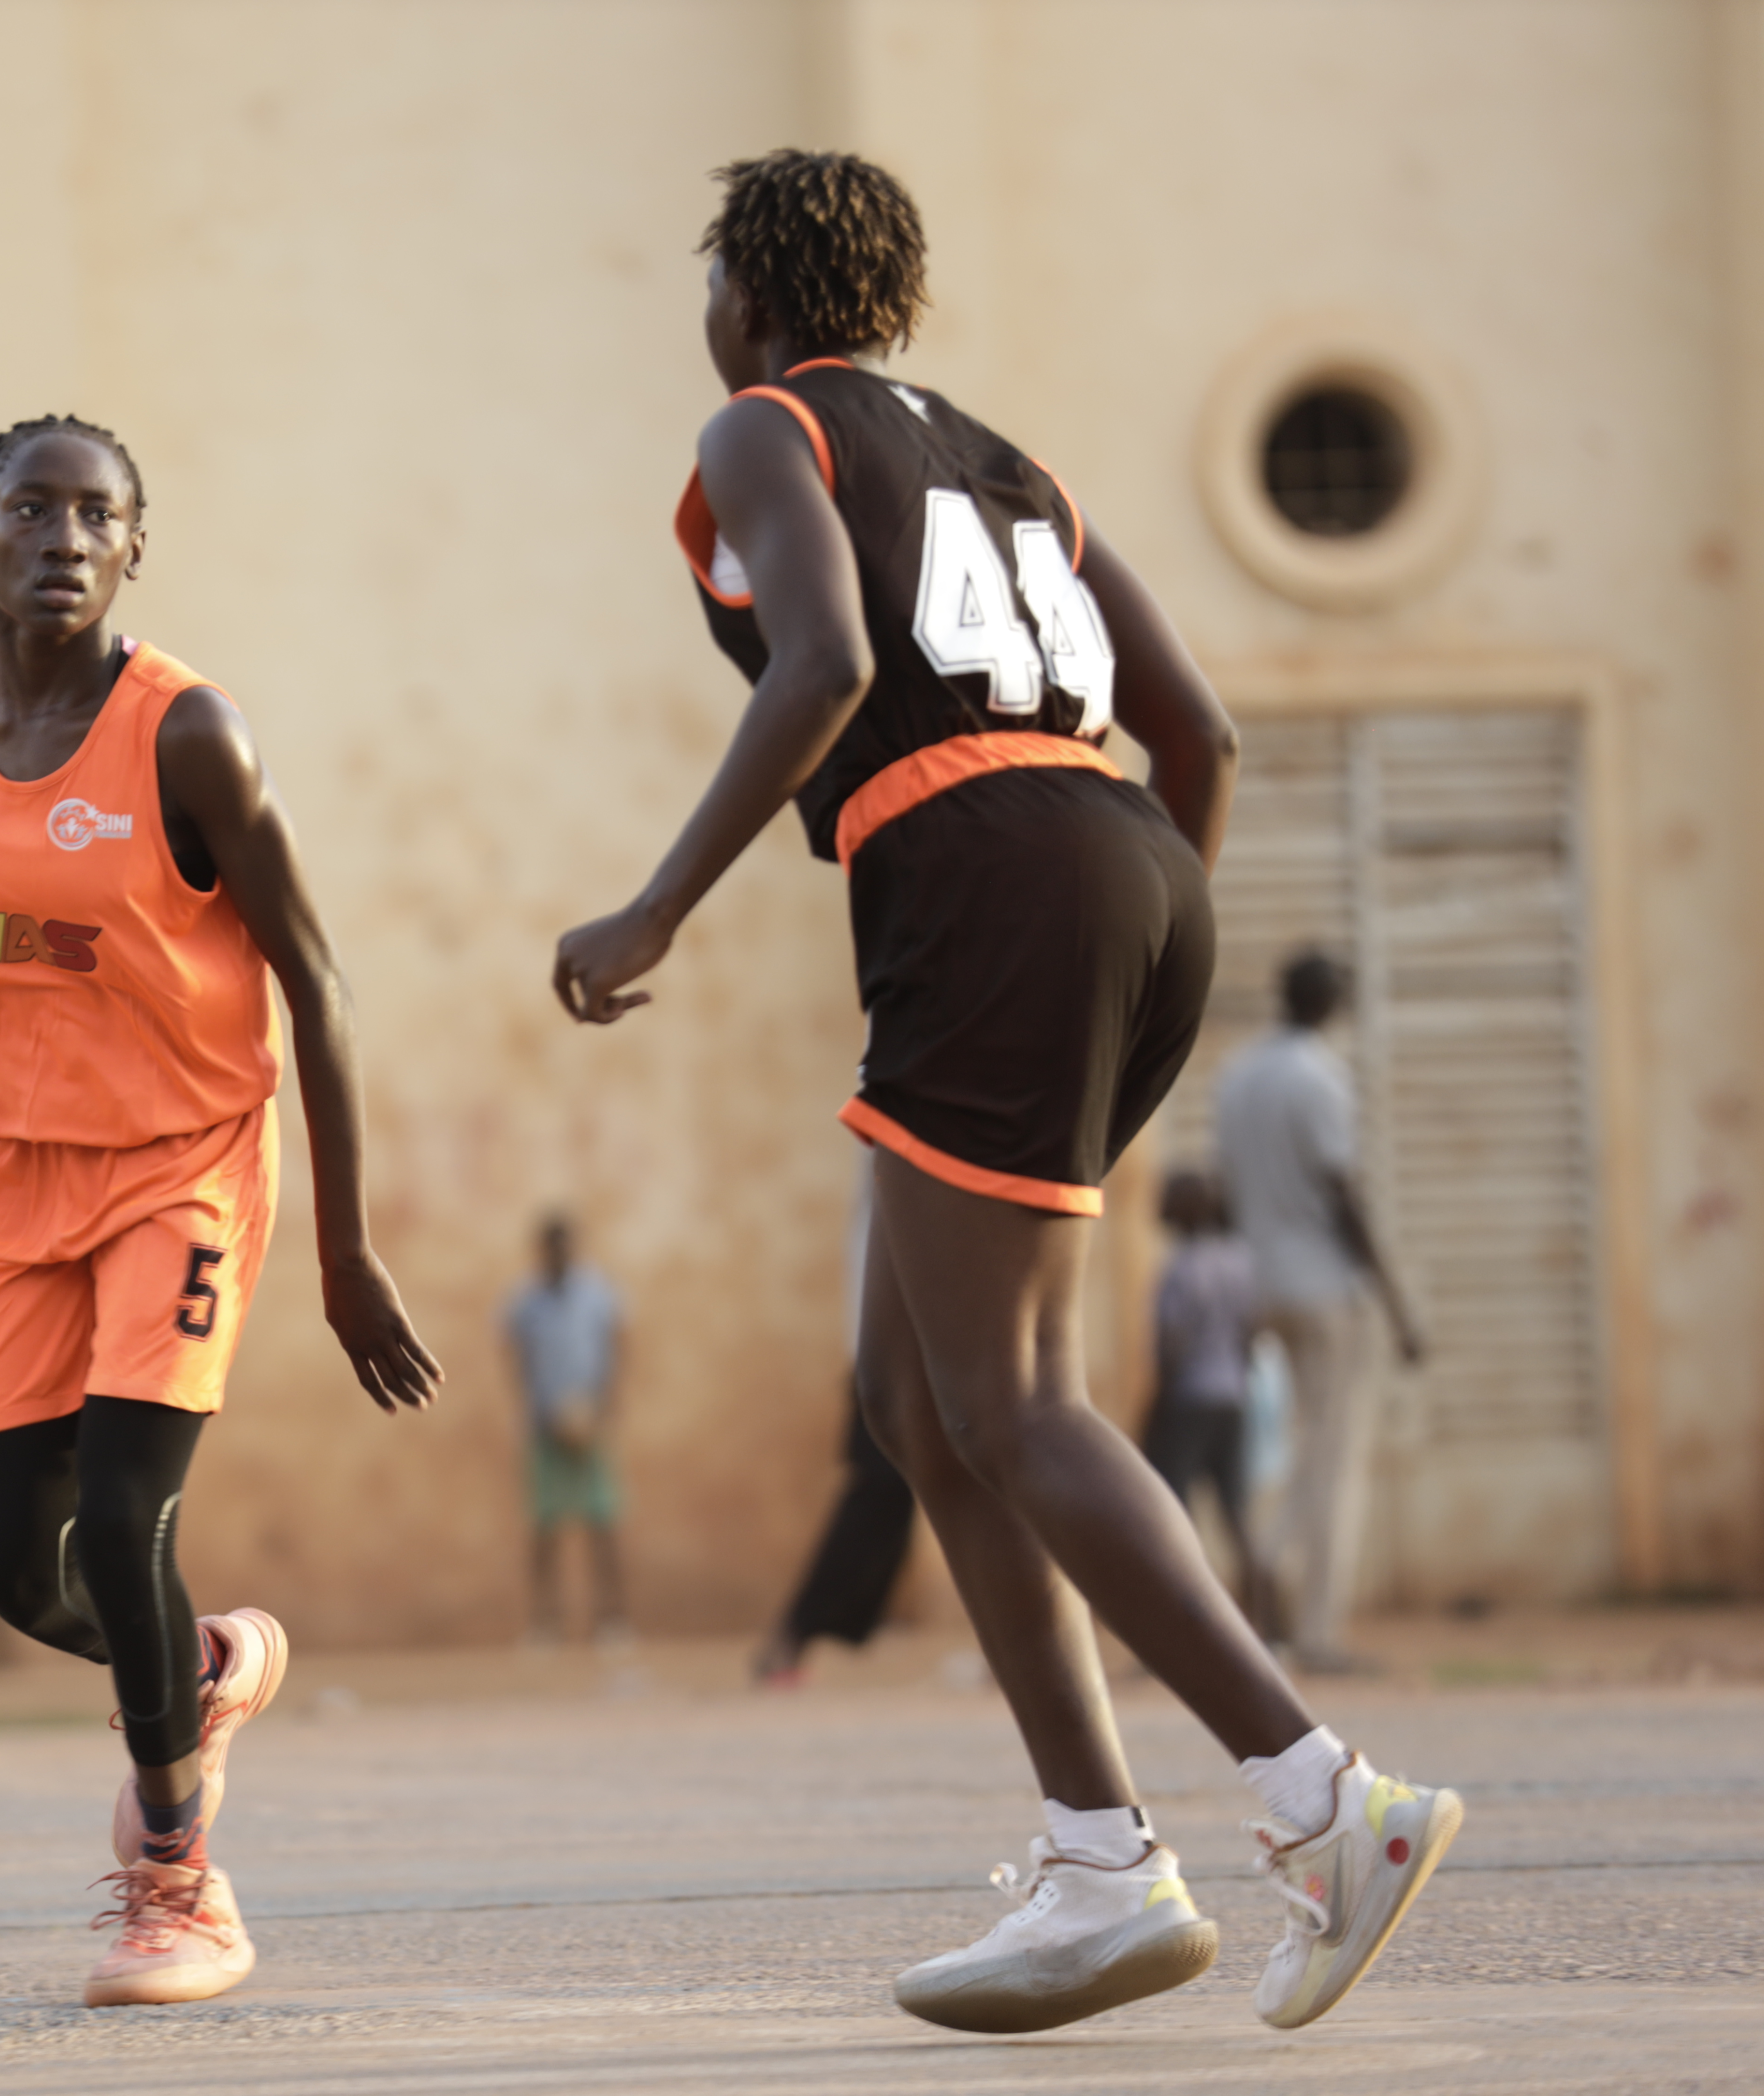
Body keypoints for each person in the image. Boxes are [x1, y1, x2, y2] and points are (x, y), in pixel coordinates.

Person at [550, 150, 1461, 2036]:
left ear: (754, 290)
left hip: (983, 882)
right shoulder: (1012, 467)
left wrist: (654, 907)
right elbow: (1193, 727)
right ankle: (1099, 1864)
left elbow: (826, 664)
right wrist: (1132, 936)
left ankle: (1321, 1803)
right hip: (1125, 863)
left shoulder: (758, 426)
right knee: (918, 1399)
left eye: (710, 277)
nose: (704, 311)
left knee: (1013, 1396)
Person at [0, 414, 440, 2009]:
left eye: (99, 514)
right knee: (16, 1572)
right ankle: (207, 1672)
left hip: (184, 1160)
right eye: (30, 508)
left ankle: (179, 1887)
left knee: (127, 1504)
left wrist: (348, 1250)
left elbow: (319, 979)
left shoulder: (189, 739)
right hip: (13, 1171)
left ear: (135, 549)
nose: (64, 538)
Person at [1214, 950, 1425, 1671]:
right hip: (1326, 1287)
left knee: (1280, 1444)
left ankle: (1266, 1571)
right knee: (1332, 1454)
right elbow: (1344, 1195)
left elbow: (1224, 1184)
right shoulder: (1320, 1078)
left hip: (1256, 1281)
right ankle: (1312, 1626)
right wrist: (1398, 1306)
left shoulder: (1236, 1075)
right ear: (1333, 1004)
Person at [753, 1183, 915, 1687]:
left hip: (921, 1343)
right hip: (890, 1350)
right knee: (881, 1493)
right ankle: (795, 1631)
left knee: (992, 1485)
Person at [1140, 1169, 1276, 1637]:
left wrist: (1155, 1409)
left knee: (1172, 1517)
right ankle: (1266, 1625)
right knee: (1237, 1512)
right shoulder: (1239, 1258)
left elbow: (1172, 1347)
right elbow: (1251, 1332)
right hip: (1232, 1398)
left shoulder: (1181, 1268)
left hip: (1189, 1401)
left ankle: (1184, 1628)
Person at [503, 1213, 629, 1648]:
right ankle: (544, 1625)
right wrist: (532, 1414)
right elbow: (516, 1359)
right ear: (544, 1250)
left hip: (590, 1427)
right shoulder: (525, 1302)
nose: (559, 1255)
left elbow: (616, 1348)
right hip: (545, 1428)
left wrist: (603, 1413)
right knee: (545, 1530)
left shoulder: (597, 1294)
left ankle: (613, 1621)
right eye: (552, 1247)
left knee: (602, 1526)